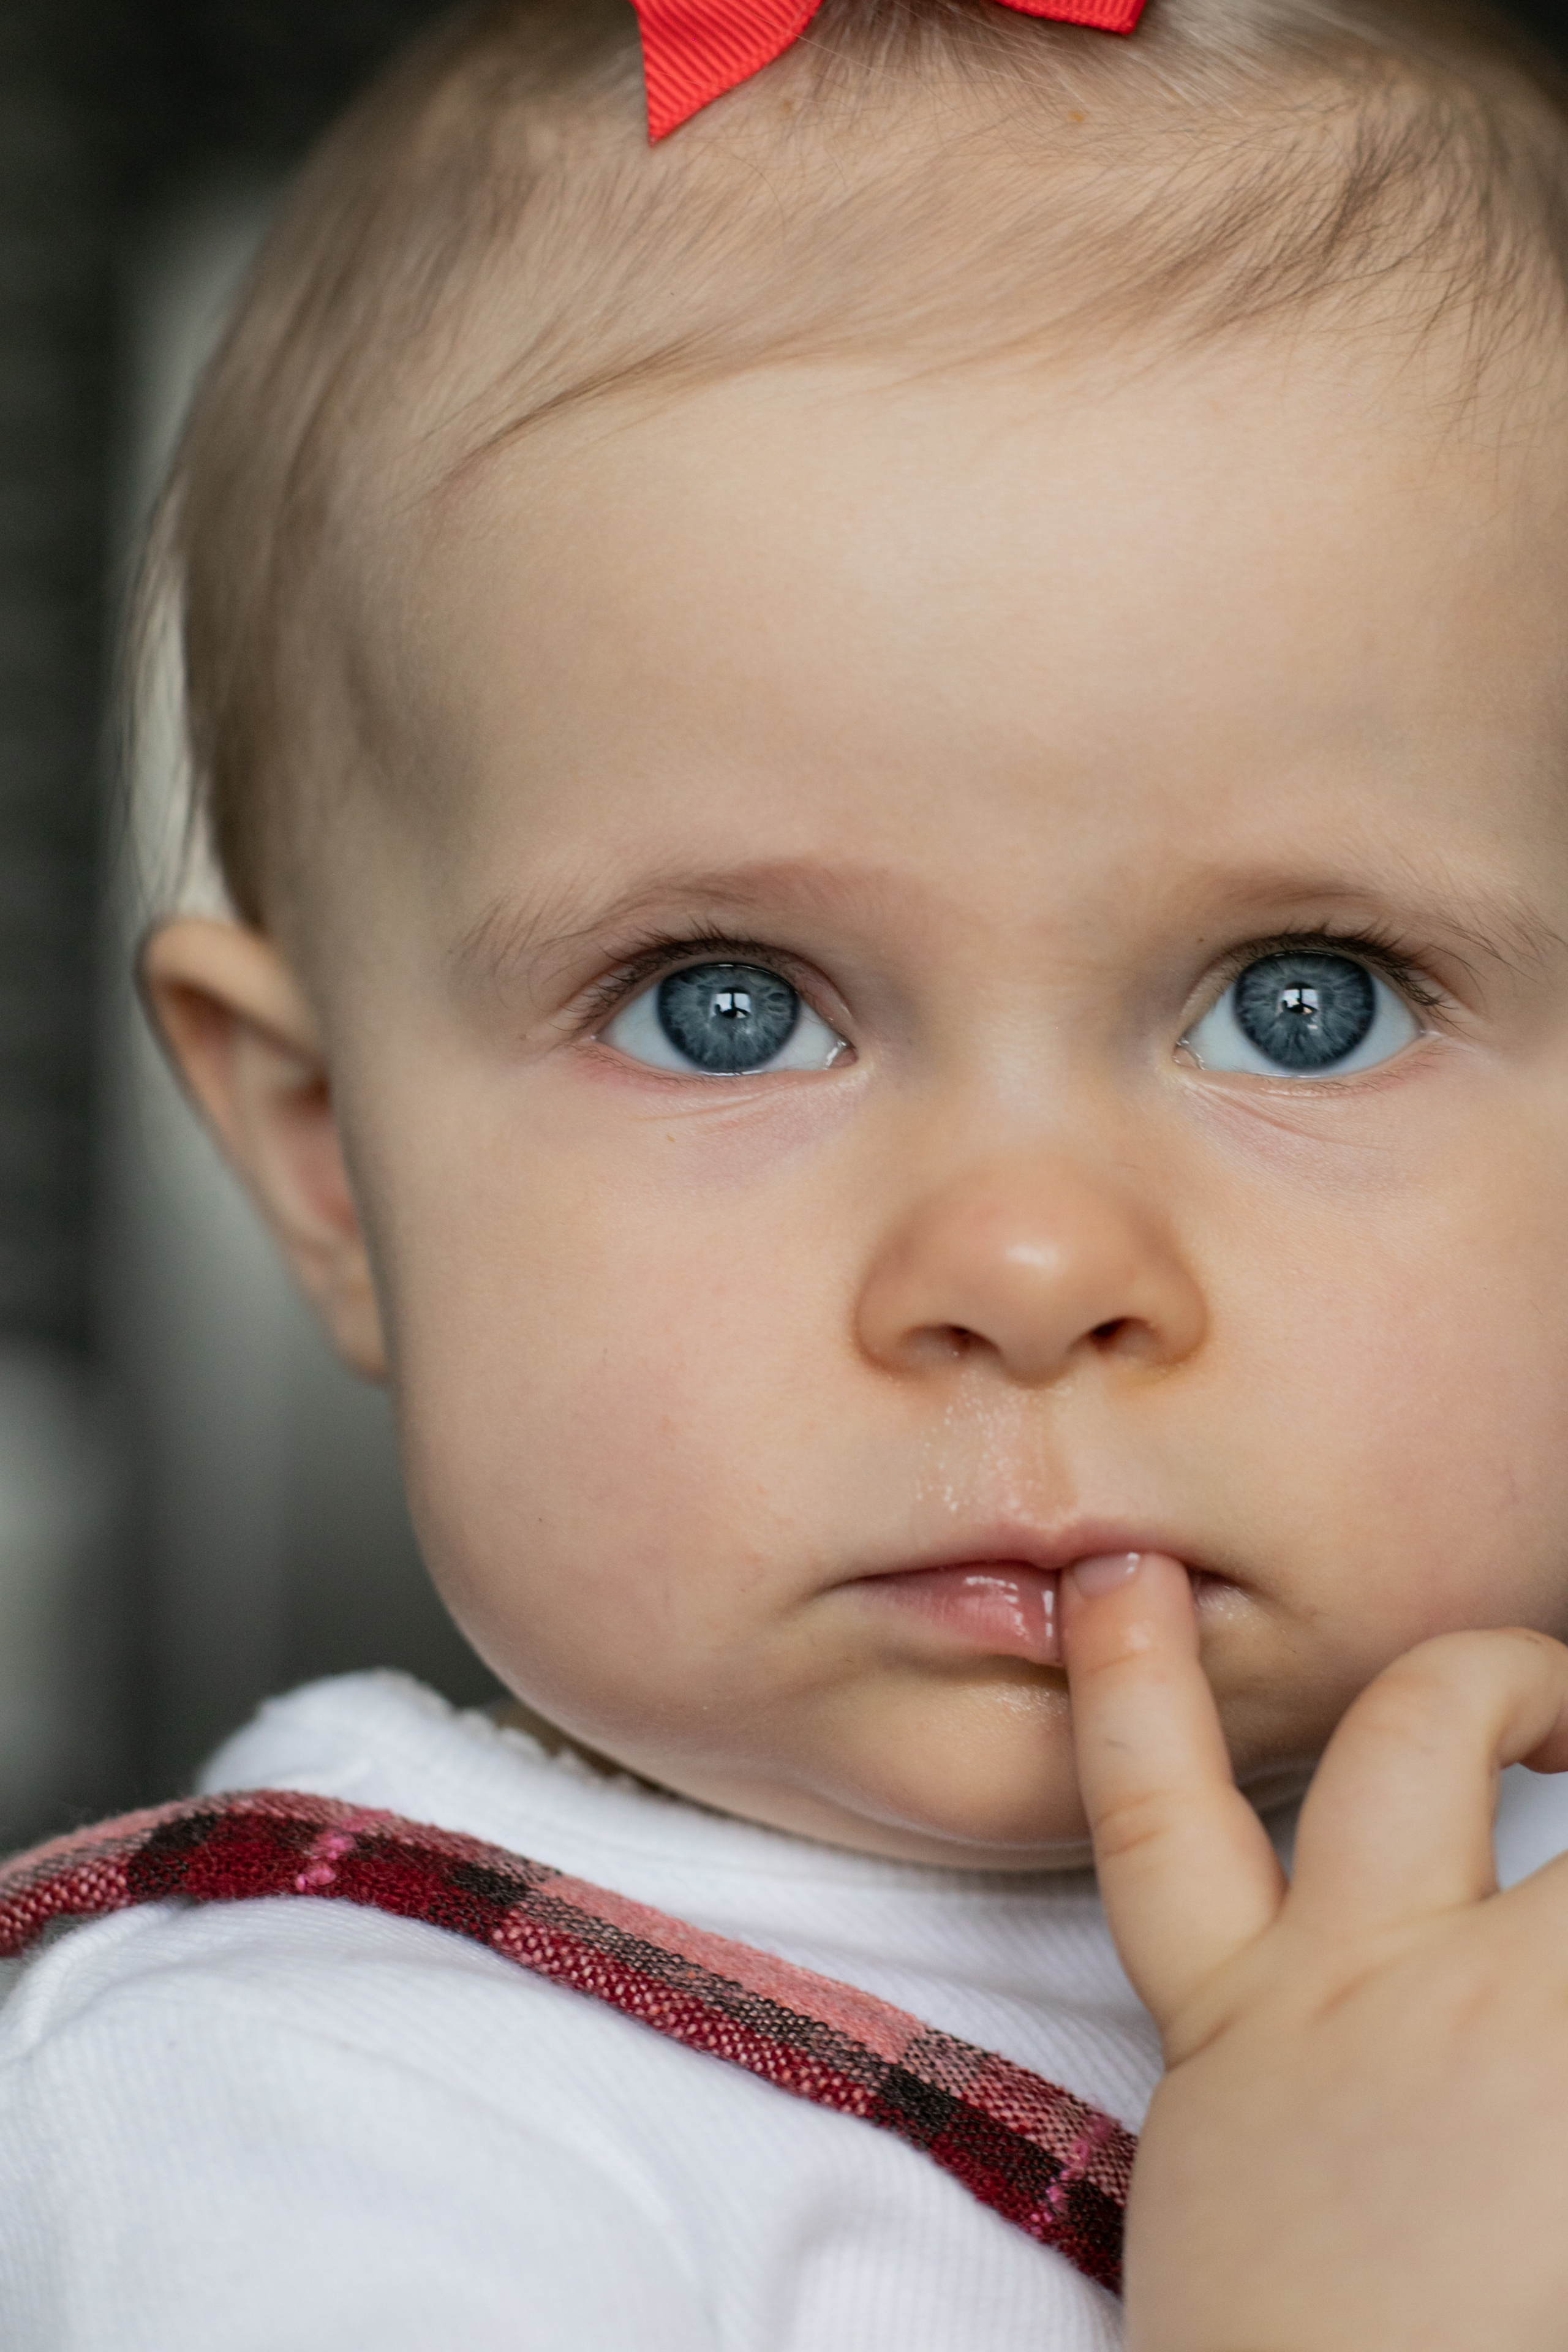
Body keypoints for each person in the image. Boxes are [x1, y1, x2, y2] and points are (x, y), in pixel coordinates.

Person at [9, 0, 1568, 2340]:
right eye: (722, 1007)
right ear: (330, 1166)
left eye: (1306, 1001)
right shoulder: (309, 2119)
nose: (1027, 1260)